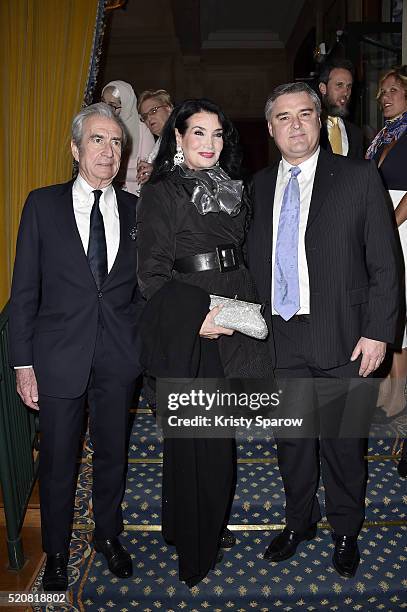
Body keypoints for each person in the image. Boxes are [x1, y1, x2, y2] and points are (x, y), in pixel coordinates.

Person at [247, 82, 401, 578]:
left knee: (342, 445)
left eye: (305, 114)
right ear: (271, 130)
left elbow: (385, 263)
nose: (295, 124)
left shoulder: (357, 178)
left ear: (321, 122)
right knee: (291, 442)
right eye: (284, 117)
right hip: (281, 336)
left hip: (345, 336)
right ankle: (299, 521)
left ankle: (345, 529)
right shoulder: (258, 186)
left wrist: (380, 332)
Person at [136, 98, 273, 586]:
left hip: (235, 314)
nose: (210, 144)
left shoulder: (232, 189)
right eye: (199, 133)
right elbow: (150, 274)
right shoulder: (162, 193)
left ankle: (189, 525)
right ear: (178, 138)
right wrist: (196, 321)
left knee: (213, 437)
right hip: (195, 322)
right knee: (200, 445)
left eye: (218, 135)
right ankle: (196, 548)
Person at [8, 103, 145, 591]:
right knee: (59, 459)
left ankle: (108, 536)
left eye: (115, 142)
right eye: (98, 140)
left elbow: (145, 289)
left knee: (113, 454)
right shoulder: (41, 205)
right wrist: (23, 364)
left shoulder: (136, 210)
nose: (109, 151)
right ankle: (59, 550)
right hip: (58, 358)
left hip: (117, 358)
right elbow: (23, 292)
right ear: (75, 148)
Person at [365, 66, 407, 423]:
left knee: (402, 313)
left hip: (401, 227)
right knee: (387, 304)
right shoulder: (384, 135)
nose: (384, 98)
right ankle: (386, 390)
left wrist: (388, 225)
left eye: (393, 90)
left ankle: (399, 396)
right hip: (384, 224)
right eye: (381, 93)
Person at [102, 80, 155, 194]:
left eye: (112, 105)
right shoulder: (100, 127)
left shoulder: (142, 129)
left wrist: (112, 173)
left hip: (134, 194)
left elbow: (144, 171)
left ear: (126, 105)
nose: (106, 110)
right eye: (103, 103)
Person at [318, 59, 364, 158]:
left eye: (349, 86)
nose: (345, 93)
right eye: (339, 85)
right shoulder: (311, 128)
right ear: (323, 88)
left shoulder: (357, 134)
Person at [136, 89, 173, 184]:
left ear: (168, 109)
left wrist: (156, 172)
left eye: (153, 111)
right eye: (144, 117)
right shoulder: (160, 141)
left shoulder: (181, 136)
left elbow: (189, 172)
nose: (149, 118)